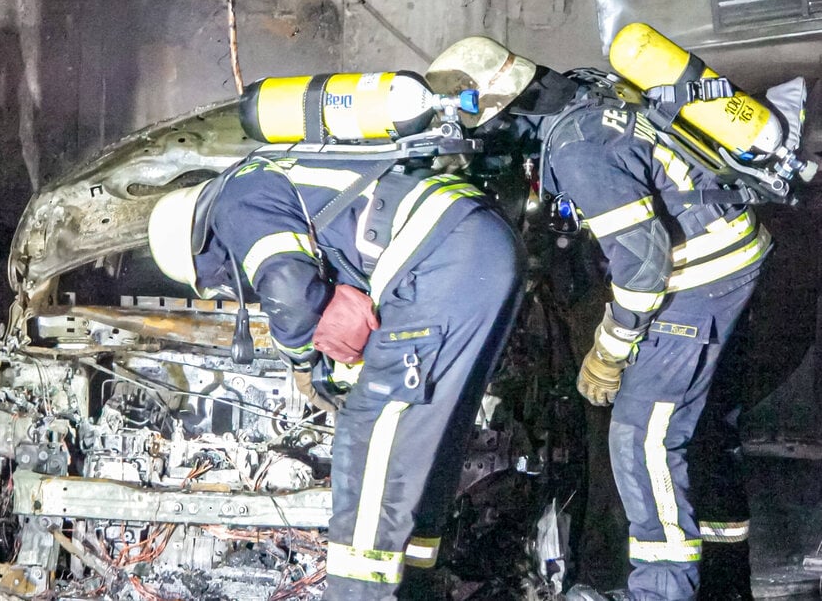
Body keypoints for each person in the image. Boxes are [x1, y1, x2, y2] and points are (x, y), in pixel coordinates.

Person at [425, 37, 772, 600]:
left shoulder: (578, 144)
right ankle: (725, 586)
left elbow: (642, 264)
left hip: (698, 281)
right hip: (733, 252)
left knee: (643, 439)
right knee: (702, 432)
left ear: (499, 108)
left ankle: (661, 593)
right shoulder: (587, 92)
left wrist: (610, 351)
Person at [148, 147, 526, 599]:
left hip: (439, 258)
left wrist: (303, 363)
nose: (231, 288)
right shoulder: (280, 181)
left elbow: (290, 294)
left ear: (202, 248)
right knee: (425, 452)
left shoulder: (237, 198)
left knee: (368, 443)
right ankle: (417, 588)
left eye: (217, 281)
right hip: (480, 247)